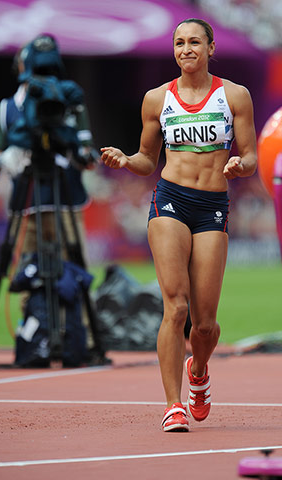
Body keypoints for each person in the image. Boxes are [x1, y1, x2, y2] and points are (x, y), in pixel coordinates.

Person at [101, 18, 258, 431]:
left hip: (213, 205)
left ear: (210, 47)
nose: (186, 49)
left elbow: (252, 154)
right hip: (170, 199)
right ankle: (173, 405)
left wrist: (241, 165)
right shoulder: (156, 99)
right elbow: (147, 160)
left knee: (205, 323)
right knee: (176, 307)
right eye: (179, 43)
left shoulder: (234, 95)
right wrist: (125, 160)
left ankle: (199, 372)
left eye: (194, 42)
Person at [0, 34, 99, 366]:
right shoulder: (7, 109)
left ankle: (80, 340)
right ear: (21, 66)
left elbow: (87, 153)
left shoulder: (68, 99)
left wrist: (82, 149)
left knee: (74, 271)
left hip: (66, 199)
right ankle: (35, 339)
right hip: (28, 201)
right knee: (28, 274)